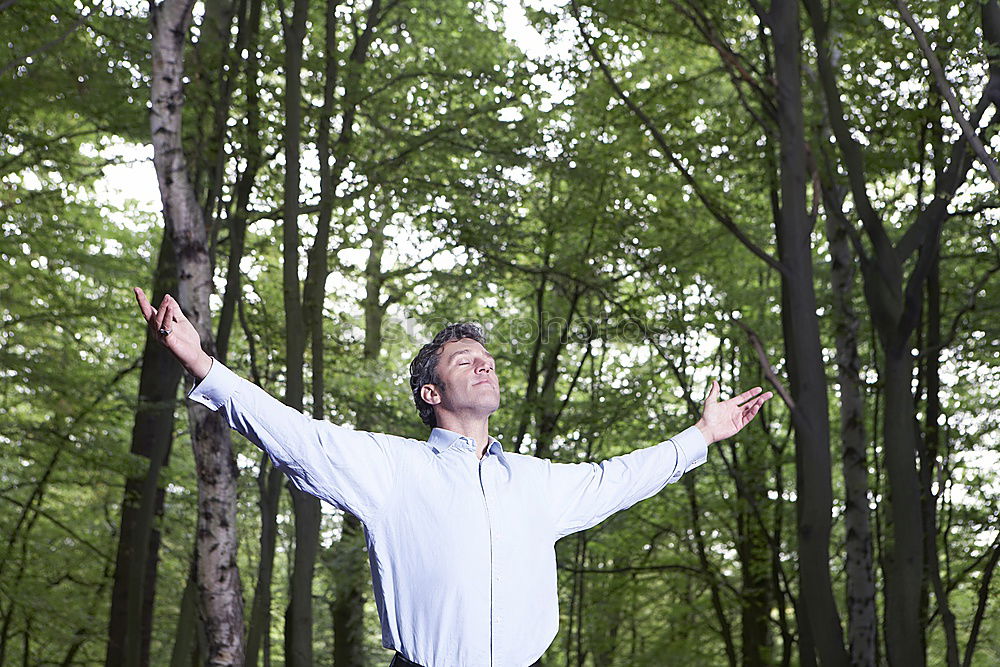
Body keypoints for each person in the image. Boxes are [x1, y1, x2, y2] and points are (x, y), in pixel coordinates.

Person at [134, 288, 772, 667]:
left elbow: (619, 478)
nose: (485, 364)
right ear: (431, 390)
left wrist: (702, 437)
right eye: (466, 360)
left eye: (488, 359)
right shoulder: (391, 469)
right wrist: (200, 363)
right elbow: (300, 437)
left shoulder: (536, 482)